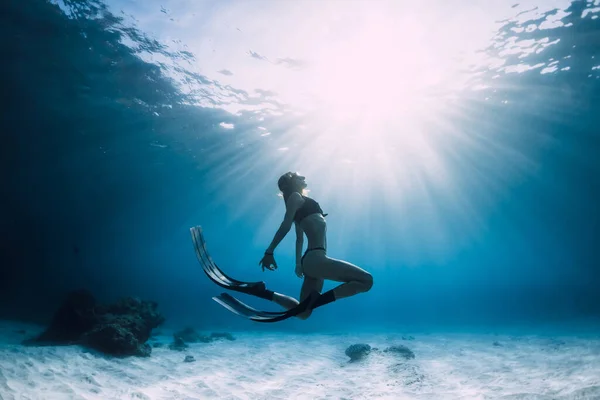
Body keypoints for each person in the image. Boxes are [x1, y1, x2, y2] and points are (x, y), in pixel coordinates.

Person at [258, 171, 373, 319]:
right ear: (292, 183)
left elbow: (299, 239)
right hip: (316, 260)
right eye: (299, 177)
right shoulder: (295, 197)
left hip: (312, 262)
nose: (303, 177)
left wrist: (299, 264)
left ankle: (262, 292)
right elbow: (285, 226)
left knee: (303, 313)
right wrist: (269, 252)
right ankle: (319, 300)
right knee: (366, 280)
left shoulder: (301, 203)